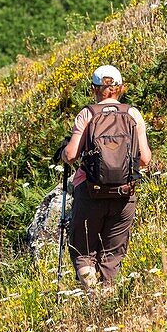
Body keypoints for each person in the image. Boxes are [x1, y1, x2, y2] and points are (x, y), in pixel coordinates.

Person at [63, 64, 152, 292]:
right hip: (124, 194)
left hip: (90, 192)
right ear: (120, 88)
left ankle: (92, 296)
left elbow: (71, 155)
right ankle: (108, 298)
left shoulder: (87, 114)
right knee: (112, 255)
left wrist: (64, 151)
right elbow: (145, 160)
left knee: (83, 252)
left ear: (94, 89)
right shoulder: (132, 114)